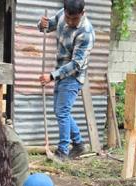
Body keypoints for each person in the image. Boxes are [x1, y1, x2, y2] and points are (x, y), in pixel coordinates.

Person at [38, 0, 95, 161]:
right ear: (64, 11)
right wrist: (42, 24)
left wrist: (51, 76)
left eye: (74, 19)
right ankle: (78, 144)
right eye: (68, 17)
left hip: (73, 76)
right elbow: (47, 27)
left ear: (82, 13)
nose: (70, 22)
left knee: (62, 112)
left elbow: (76, 64)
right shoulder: (62, 16)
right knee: (60, 111)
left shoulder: (86, 33)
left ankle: (62, 152)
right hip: (60, 70)